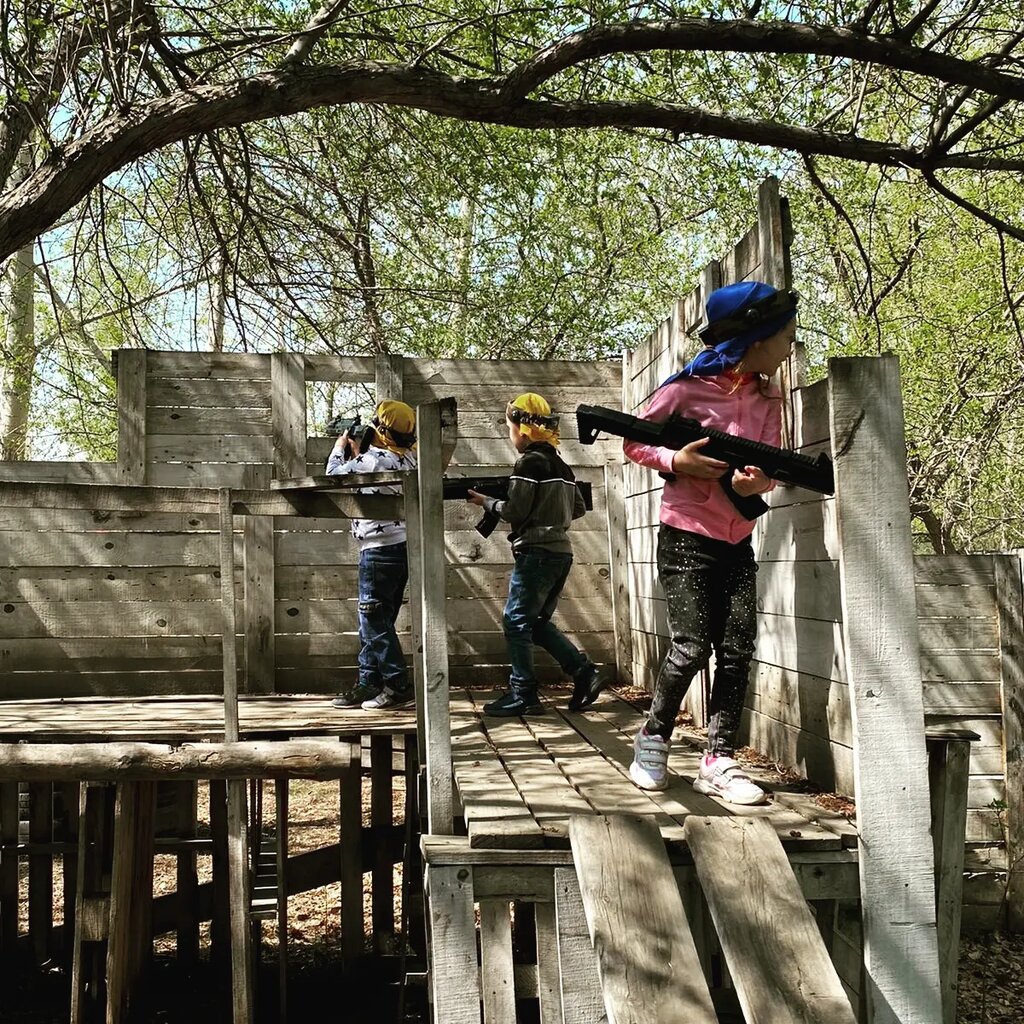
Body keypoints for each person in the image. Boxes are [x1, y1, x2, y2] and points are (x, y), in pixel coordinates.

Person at [622, 281, 798, 803]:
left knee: (738, 650)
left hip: (737, 539)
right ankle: (653, 737)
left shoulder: (770, 397)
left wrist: (754, 484)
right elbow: (634, 440)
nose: (791, 346)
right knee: (693, 645)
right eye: (785, 336)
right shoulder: (684, 389)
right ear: (756, 339)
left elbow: (768, 465)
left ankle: (719, 759)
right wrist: (677, 460)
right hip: (685, 535)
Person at [467, 393, 604, 716]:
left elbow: (515, 510)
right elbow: (578, 509)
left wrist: (486, 502)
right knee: (536, 623)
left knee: (516, 622)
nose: (510, 434)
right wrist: (550, 512)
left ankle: (523, 694)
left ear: (523, 429)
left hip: (536, 553)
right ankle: (584, 672)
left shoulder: (528, 463)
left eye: (510, 428)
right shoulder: (562, 466)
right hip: (560, 553)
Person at [327, 400, 418, 711]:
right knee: (378, 620)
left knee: (372, 620)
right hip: (402, 549)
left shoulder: (372, 460)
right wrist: (359, 454)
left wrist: (340, 447)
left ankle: (398, 685)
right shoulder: (409, 459)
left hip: (378, 551)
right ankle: (369, 682)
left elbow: (333, 475)